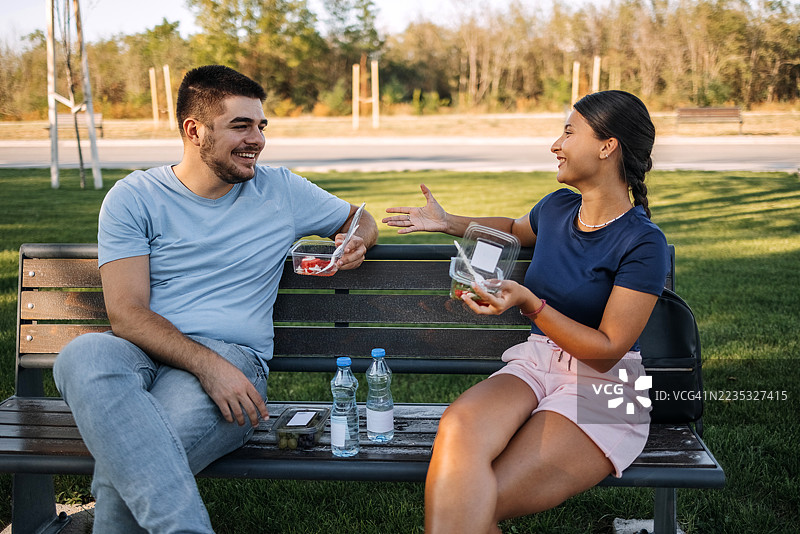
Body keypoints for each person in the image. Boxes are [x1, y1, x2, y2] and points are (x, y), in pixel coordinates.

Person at [53, 64, 378, 533]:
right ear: (195, 130)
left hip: (235, 360)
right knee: (84, 353)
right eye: (240, 125)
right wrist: (208, 366)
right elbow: (125, 314)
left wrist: (357, 240)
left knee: (123, 475)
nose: (258, 139)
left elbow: (359, 217)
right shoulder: (134, 197)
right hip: (152, 355)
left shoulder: (279, 189)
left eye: (261, 126)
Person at [383, 90, 669, 534]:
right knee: (459, 427)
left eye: (569, 132)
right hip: (537, 363)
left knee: (472, 502)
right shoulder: (556, 208)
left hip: (608, 388)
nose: (556, 144)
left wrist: (531, 304)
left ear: (606, 146)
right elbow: (515, 231)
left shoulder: (642, 242)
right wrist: (449, 222)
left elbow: (608, 350)